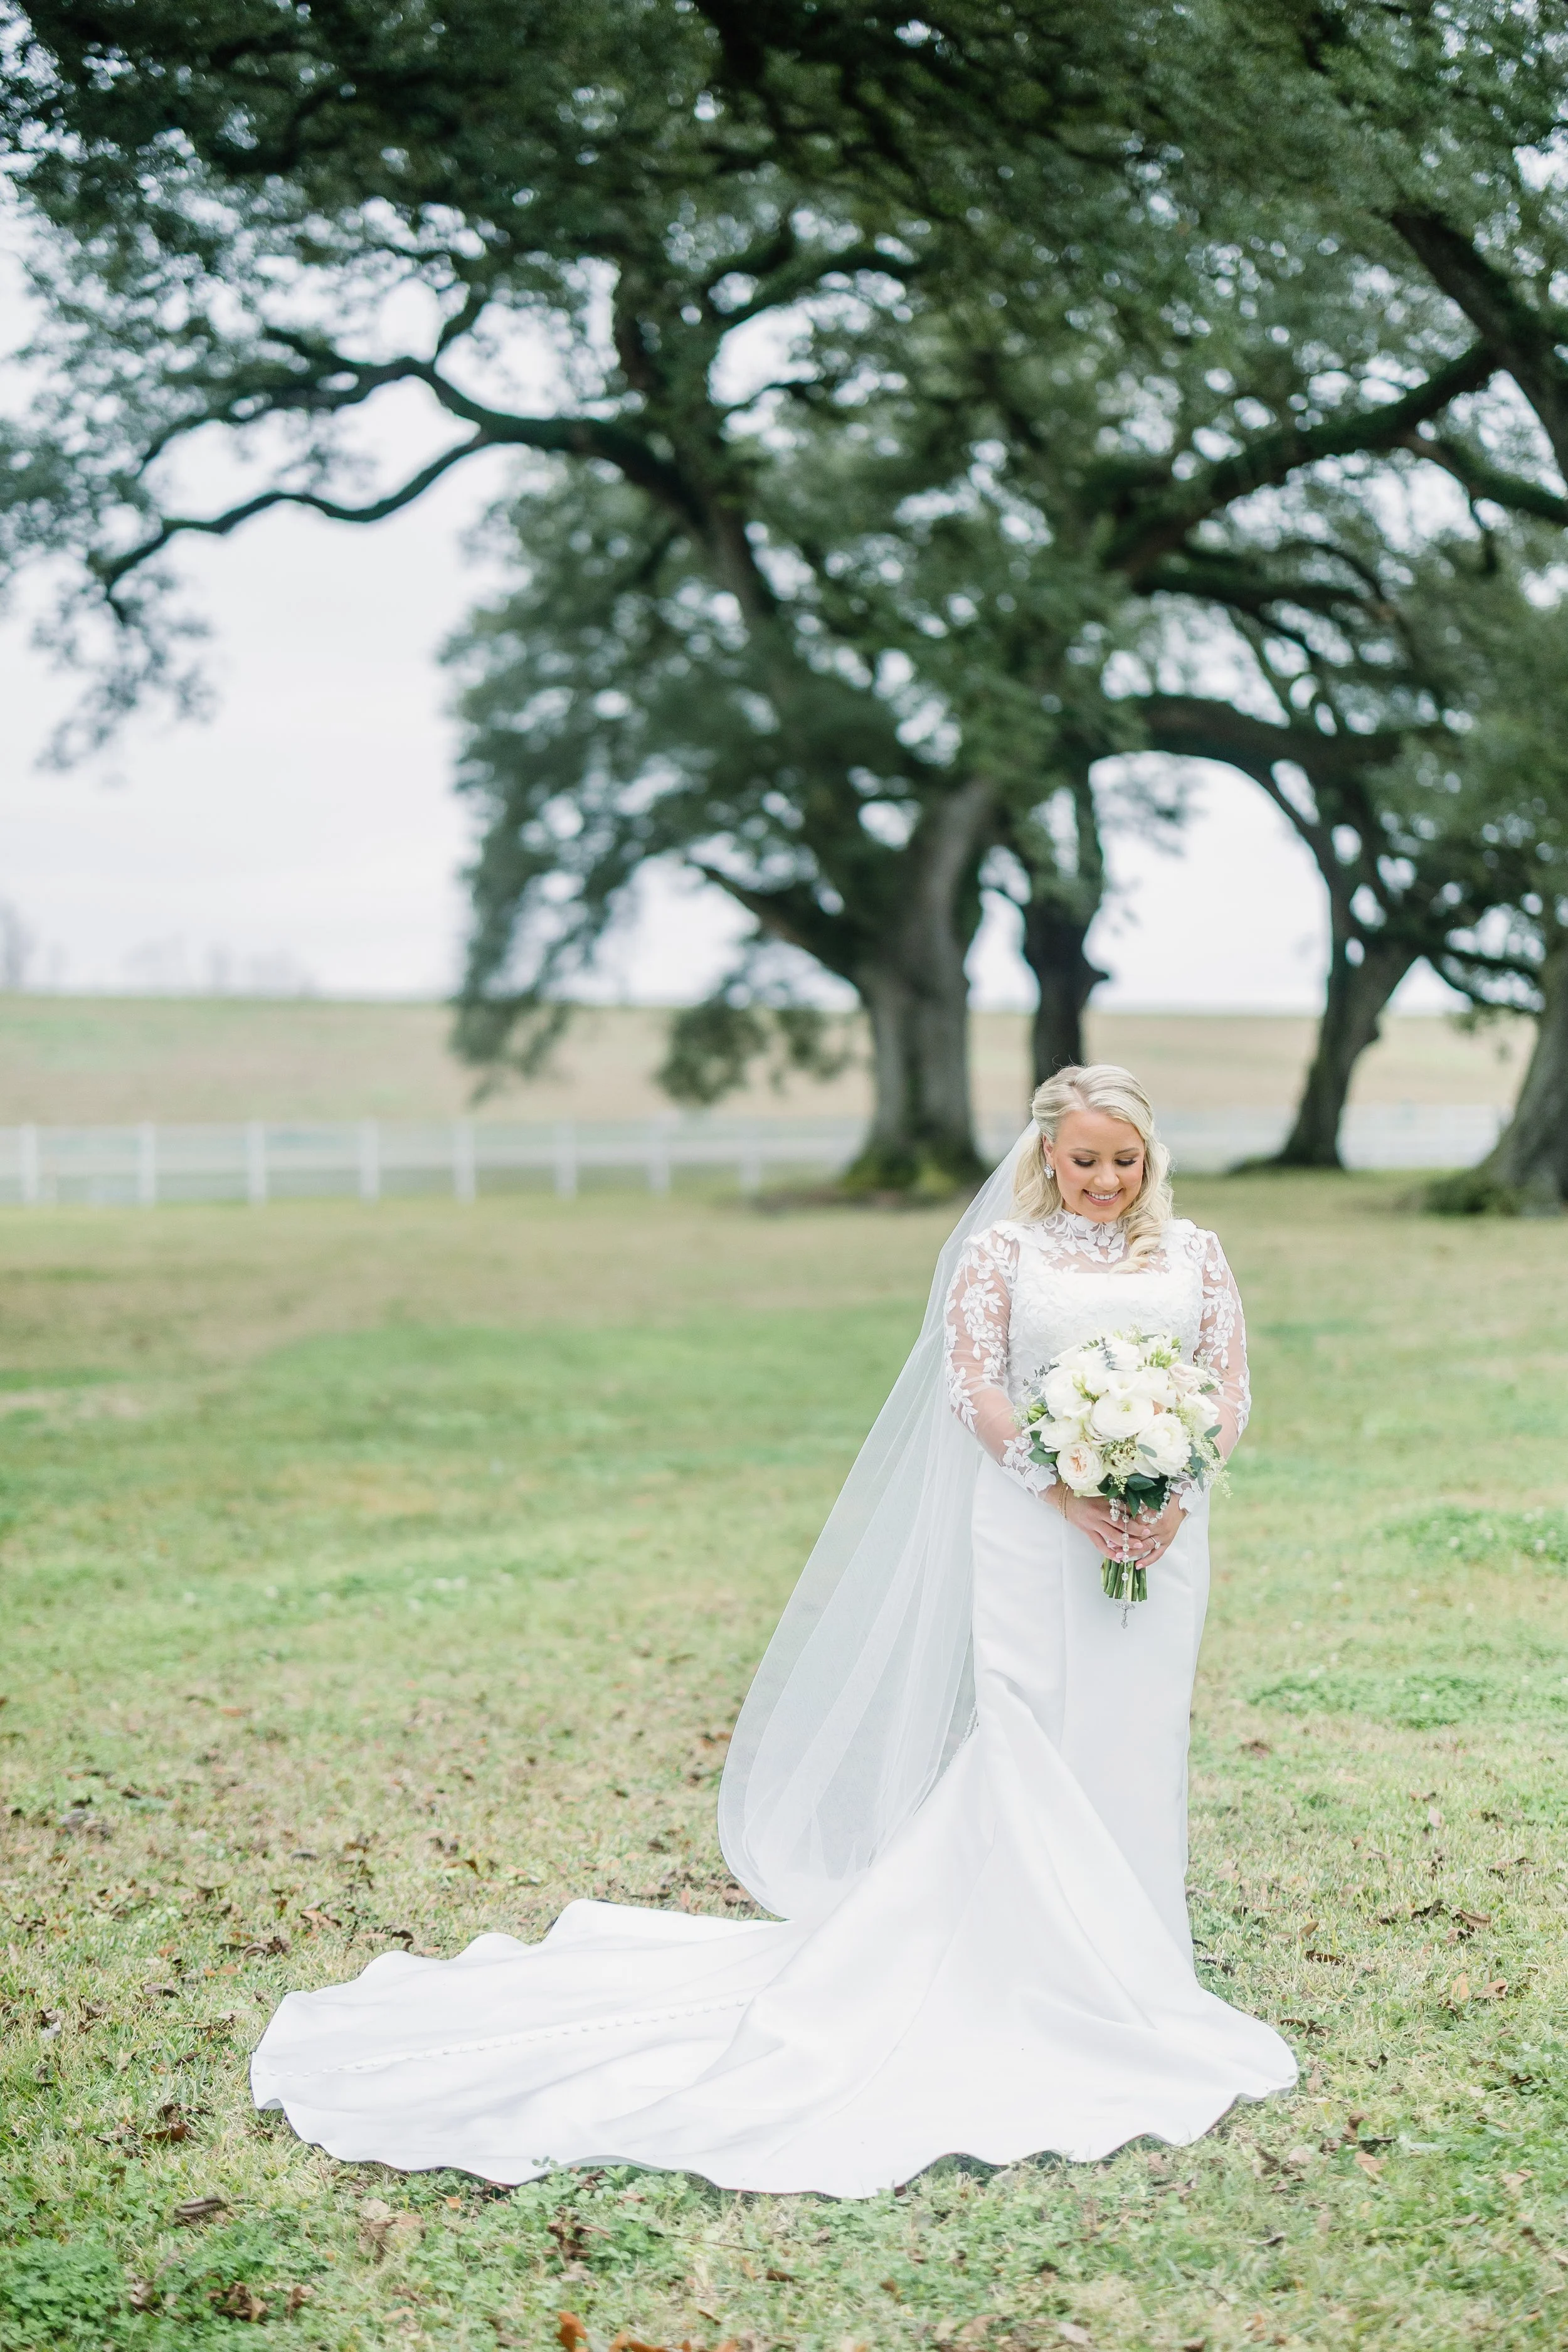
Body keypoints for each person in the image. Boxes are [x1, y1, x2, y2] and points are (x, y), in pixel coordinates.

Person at [252, 1064, 1295, 2196]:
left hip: (1158, 1531)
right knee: (1033, 1726)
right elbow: (976, 1386)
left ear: (1151, 1159)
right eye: (1083, 1158)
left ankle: (1138, 1959)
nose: (1103, 1179)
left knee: (1136, 1736)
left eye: (1123, 1160)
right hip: (1035, 1521)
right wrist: (1066, 1484)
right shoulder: (1002, 1253)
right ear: (1048, 1154)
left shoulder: (1196, 1252)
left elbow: (1224, 1384)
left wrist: (1176, 1480)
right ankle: (1040, 1960)